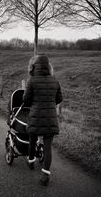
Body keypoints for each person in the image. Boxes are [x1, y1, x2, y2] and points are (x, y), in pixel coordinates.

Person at [22, 54, 62, 186]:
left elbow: (26, 100)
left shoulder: (32, 80)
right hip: (50, 118)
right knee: (48, 147)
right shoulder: (54, 80)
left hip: (35, 116)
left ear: (34, 67)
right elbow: (59, 99)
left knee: (32, 139)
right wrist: (50, 102)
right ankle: (45, 174)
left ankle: (31, 161)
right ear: (48, 66)